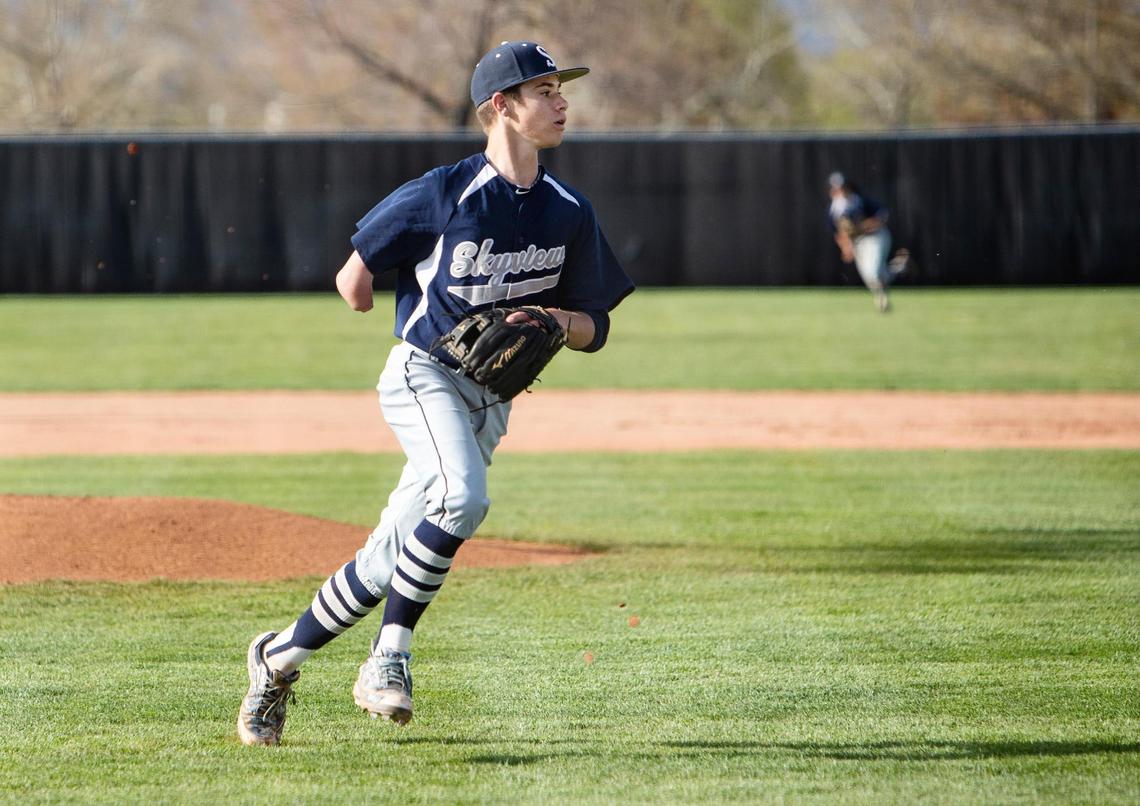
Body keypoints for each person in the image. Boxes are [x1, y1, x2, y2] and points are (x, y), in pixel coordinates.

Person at [237, 40, 635, 747]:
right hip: (424, 375)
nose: (561, 101)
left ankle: (275, 662)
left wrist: (554, 320)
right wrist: (385, 296)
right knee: (465, 497)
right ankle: (389, 656)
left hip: (491, 400)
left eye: (558, 87)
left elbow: (594, 325)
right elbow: (352, 281)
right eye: (542, 90)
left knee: (387, 554)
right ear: (500, 109)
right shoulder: (443, 193)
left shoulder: (568, 209)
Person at [828, 171, 912, 313]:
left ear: (847, 187)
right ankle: (898, 269)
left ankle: (883, 300)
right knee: (870, 278)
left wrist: (863, 226)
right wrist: (846, 247)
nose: (839, 190)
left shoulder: (859, 200)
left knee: (873, 273)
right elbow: (838, 233)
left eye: (841, 187)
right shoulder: (834, 209)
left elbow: (883, 214)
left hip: (876, 237)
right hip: (858, 242)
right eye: (835, 187)